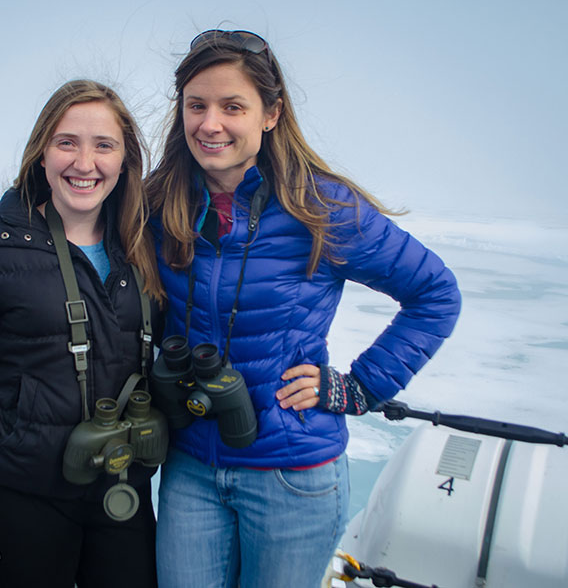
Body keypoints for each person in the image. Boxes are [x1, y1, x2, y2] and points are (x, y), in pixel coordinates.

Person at [146, 30, 461, 588]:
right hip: (191, 465)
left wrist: (358, 387)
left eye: (232, 106)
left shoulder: (320, 205)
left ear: (271, 113)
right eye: (196, 105)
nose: (209, 123)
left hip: (291, 473)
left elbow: (435, 294)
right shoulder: (159, 201)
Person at [0, 79, 164, 587]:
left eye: (104, 145)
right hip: (24, 495)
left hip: (122, 484)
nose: (84, 162)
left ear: (124, 161)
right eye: (67, 142)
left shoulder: (144, 247)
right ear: (42, 153)